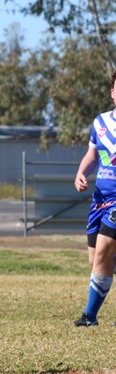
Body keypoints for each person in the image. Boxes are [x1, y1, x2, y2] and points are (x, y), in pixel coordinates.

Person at [73, 70, 116, 327]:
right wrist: (81, 173)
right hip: (100, 200)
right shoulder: (100, 122)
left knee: (103, 252)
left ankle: (89, 316)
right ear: (112, 93)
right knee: (97, 260)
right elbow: (93, 155)